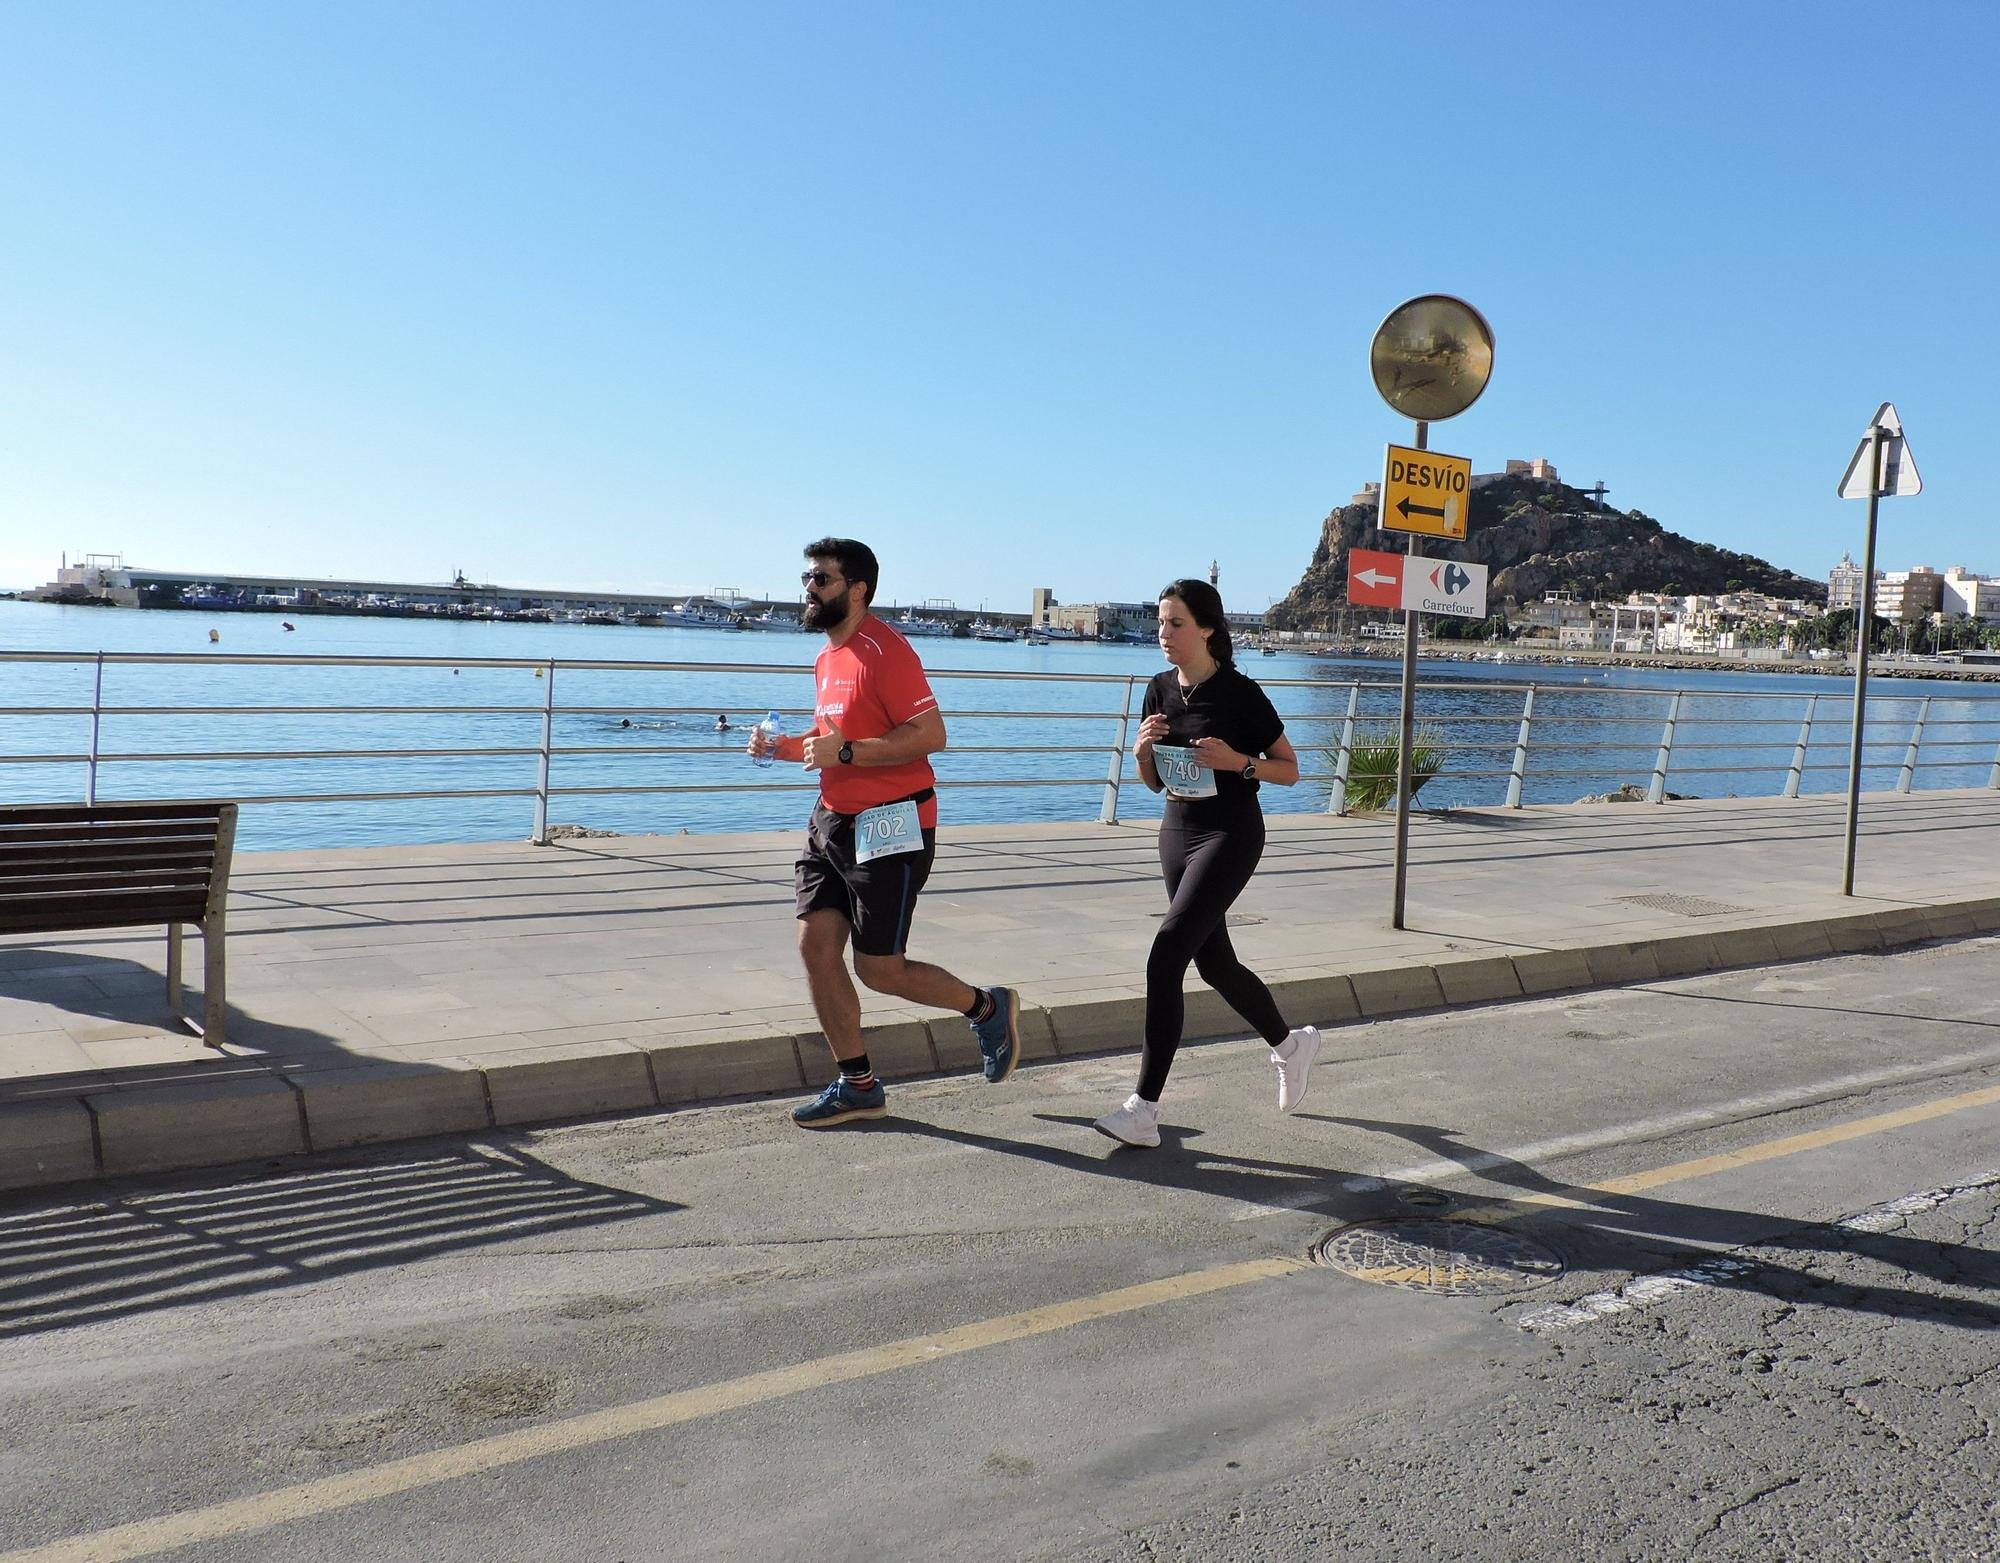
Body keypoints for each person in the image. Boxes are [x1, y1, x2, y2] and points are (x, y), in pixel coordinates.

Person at [749, 537, 1021, 1127]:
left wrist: (841, 749)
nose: (809, 589)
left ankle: (987, 1008)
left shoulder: (886, 651)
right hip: (829, 821)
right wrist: (784, 746)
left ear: (857, 590)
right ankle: (858, 1084)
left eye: (821, 579)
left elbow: (930, 735)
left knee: (880, 970)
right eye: (808, 578)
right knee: (814, 946)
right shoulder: (828, 656)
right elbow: (836, 747)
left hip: (890, 825)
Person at [1094, 578, 1318, 1148]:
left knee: (1166, 953)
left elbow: (1289, 769)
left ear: (1208, 629)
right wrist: (1143, 753)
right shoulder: (1158, 689)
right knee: (1214, 963)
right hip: (1177, 830)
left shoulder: (1241, 694)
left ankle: (1143, 1109)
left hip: (1230, 831)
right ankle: (1291, 1046)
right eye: (1160, 623)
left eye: (1175, 624)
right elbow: (1151, 783)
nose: (1163, 635)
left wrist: (1239, 761)